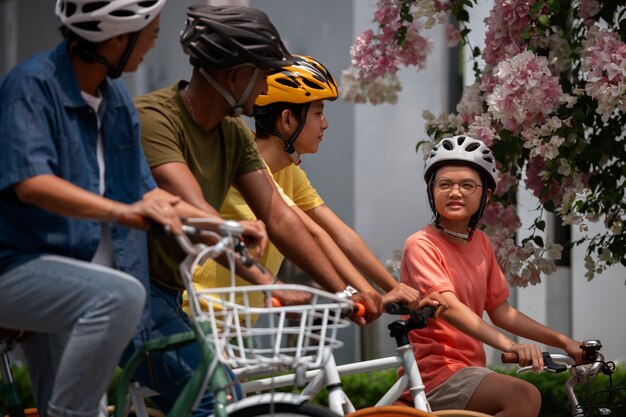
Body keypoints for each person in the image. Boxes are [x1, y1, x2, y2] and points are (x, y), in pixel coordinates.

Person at [133, 5, 412, 416]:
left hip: (177, 295)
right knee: (213, 397)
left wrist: (345, 292)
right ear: (234, 76)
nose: (266, 85)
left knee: (221, 396)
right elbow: (194, 209)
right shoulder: (156, 117)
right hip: (135, 290)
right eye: (262, 73)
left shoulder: (232, 135)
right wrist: (273, 285)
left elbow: (278, 217)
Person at [0, 2, 267, 416]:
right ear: (118, 36)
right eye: (151, 32)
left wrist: (226, 228)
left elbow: (153, 198)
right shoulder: (32, 84)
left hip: (83, 282)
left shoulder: (117, 102)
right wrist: (119, 213)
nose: (154, 44)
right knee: (120, 295)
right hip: (21, 268)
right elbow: (31, 183)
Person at [188, 55, 427, 314]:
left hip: (239, 320)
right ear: (288, 119)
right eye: (317, 113)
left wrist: (392, 289)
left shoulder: (289, 172)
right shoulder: (248, 164)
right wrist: (366, 295)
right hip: (200, 311)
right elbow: (312, 233)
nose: (325, 124)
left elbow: (341, 234)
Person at [398, 135, 582, 417]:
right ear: (431, 191)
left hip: (469, 371)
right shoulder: (421, 245)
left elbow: (501, 312)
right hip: (435, 372)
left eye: (467, 185)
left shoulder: (481, 243)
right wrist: (509, 345)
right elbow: (450, 307)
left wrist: (564, 341)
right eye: (444, 184)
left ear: (486, 194)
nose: (455, 192)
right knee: (523, 396)